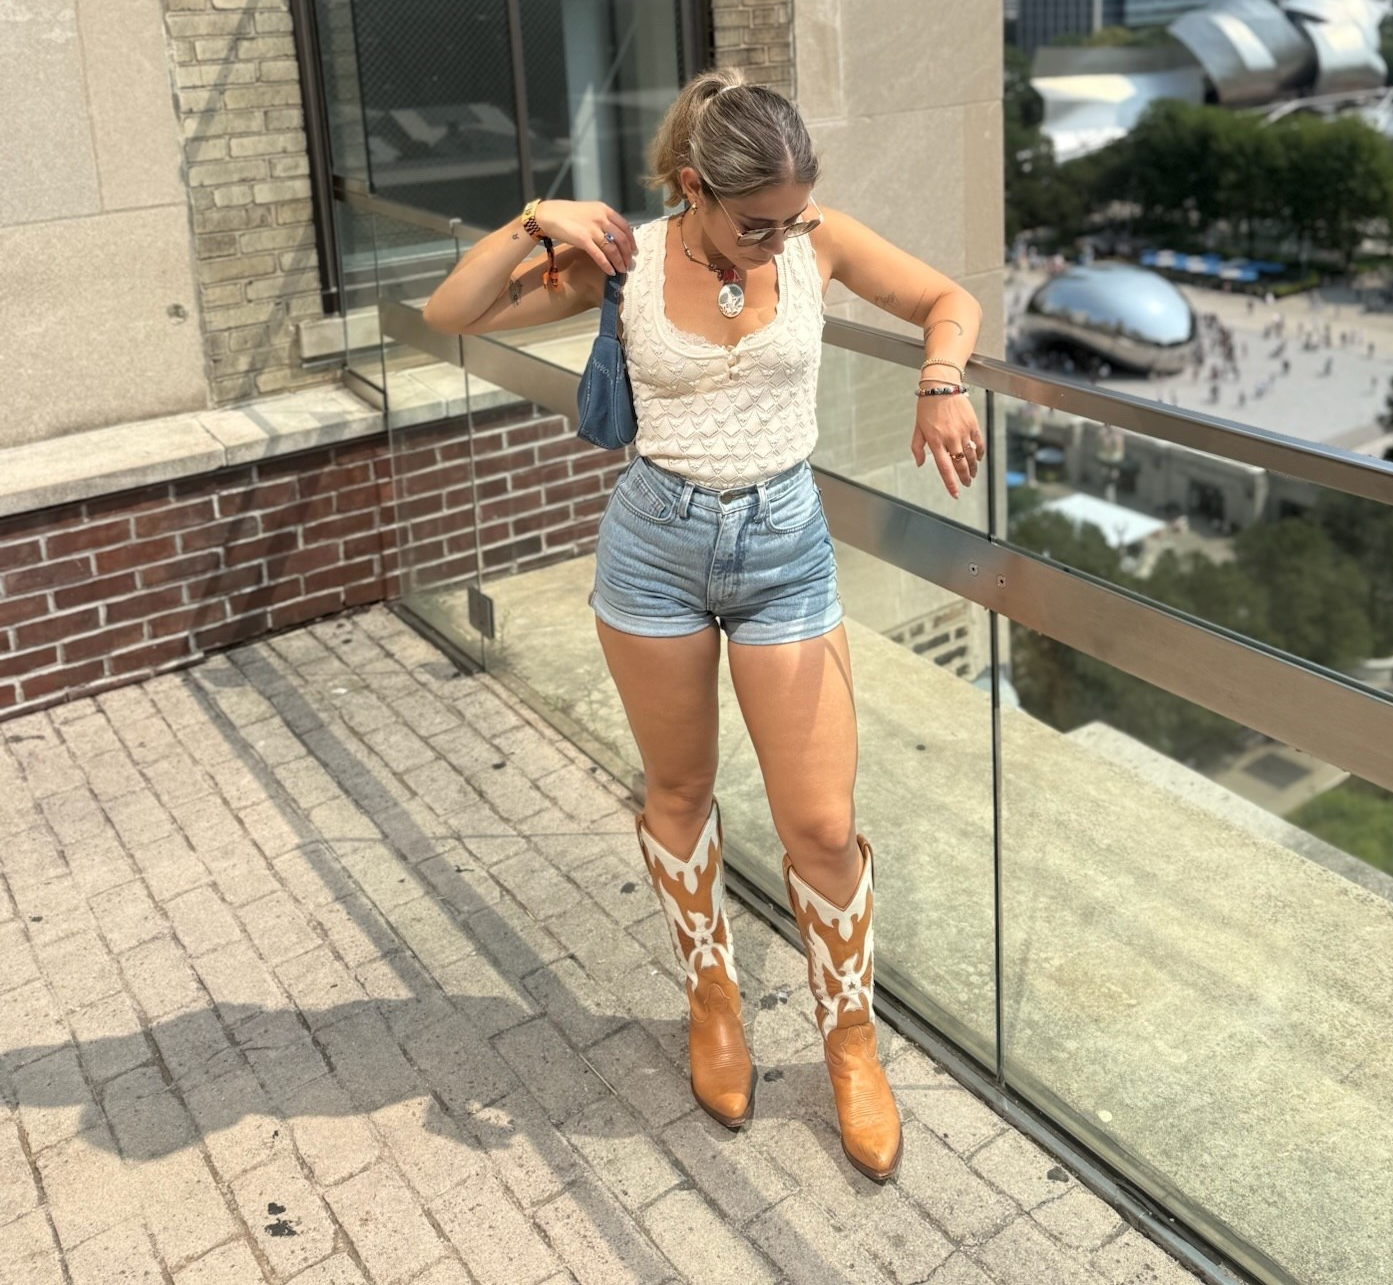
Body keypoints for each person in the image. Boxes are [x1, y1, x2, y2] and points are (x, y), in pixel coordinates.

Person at [421, 70, 986, 1185]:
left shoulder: (815, 239)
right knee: (677, 791)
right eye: (753, 222)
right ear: (693, 186)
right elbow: (452, 312)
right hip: (654, 548)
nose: (777, 240)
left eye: (791, 215)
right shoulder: (622, 258)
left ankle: (850, 1035)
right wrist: (534, 216)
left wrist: (941, 379)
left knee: (820, 823)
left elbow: (945, 299)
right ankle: (711, 993)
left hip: (786, 550)